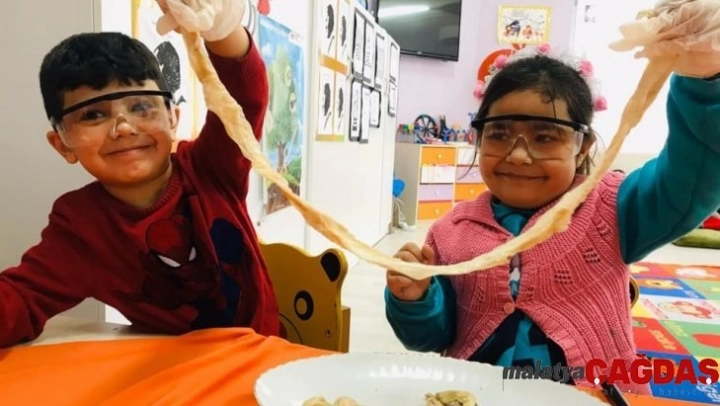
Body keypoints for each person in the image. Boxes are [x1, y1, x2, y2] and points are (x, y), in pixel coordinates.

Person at [384, 8, 720, 395]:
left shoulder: (614, 207)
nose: (518, 155)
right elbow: (431, 337)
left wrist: (705, 83)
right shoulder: (450, 232)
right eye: (498, 133)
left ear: (583, 146)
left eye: (544, 137)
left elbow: (694, 174)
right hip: (476, 397)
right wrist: (415, 298)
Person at [0, 0, 281, 348]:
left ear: (172, 118)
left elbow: (243, 99)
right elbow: (21, 298)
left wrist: (224, 32)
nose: (123, 127)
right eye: (93, 115)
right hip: (176, 368)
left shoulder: (211, 167)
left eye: (141, 106)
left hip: (263, 354)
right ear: (63, 144)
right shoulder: (81, 228)